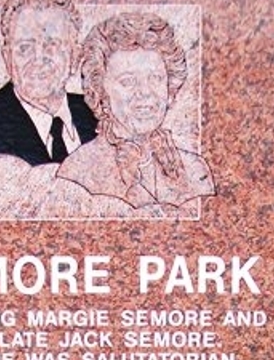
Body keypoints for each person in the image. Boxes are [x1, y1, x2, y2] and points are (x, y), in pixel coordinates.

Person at [57, 11, 215, 213]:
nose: (145, 93)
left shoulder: (194, 169)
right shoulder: (77, 173)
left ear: (170, 89)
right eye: (128, 81)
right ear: (101, 92)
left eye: (155, 78)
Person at [0, 0, 97, 166]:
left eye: (51, 45)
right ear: (7, 58)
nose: (38, 59)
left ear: (75, 57)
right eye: (24, 47)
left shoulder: (99, 115)